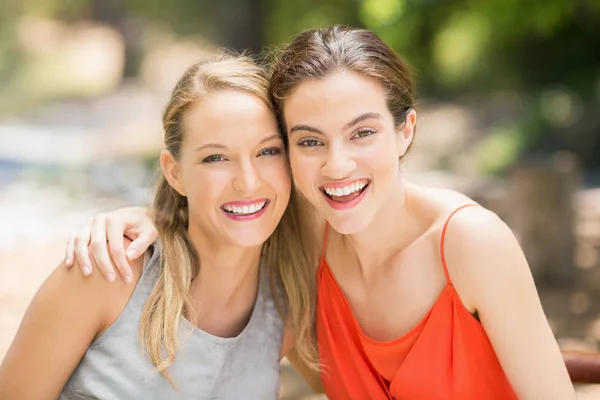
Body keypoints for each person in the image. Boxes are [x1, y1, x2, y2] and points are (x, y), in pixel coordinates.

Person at [62, 26, 576, 399]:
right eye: (309, 141)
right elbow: (225, 209)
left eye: (363, 132)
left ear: (406, 131)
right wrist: (154, 218)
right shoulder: (303, 239)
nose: (337, 165)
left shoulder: (470, 245)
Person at [0, 52, 319, 399]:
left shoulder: (285, 307)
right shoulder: (108, 270)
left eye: (268, 151)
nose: (248, 181)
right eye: (216, 158)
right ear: (175, 173)